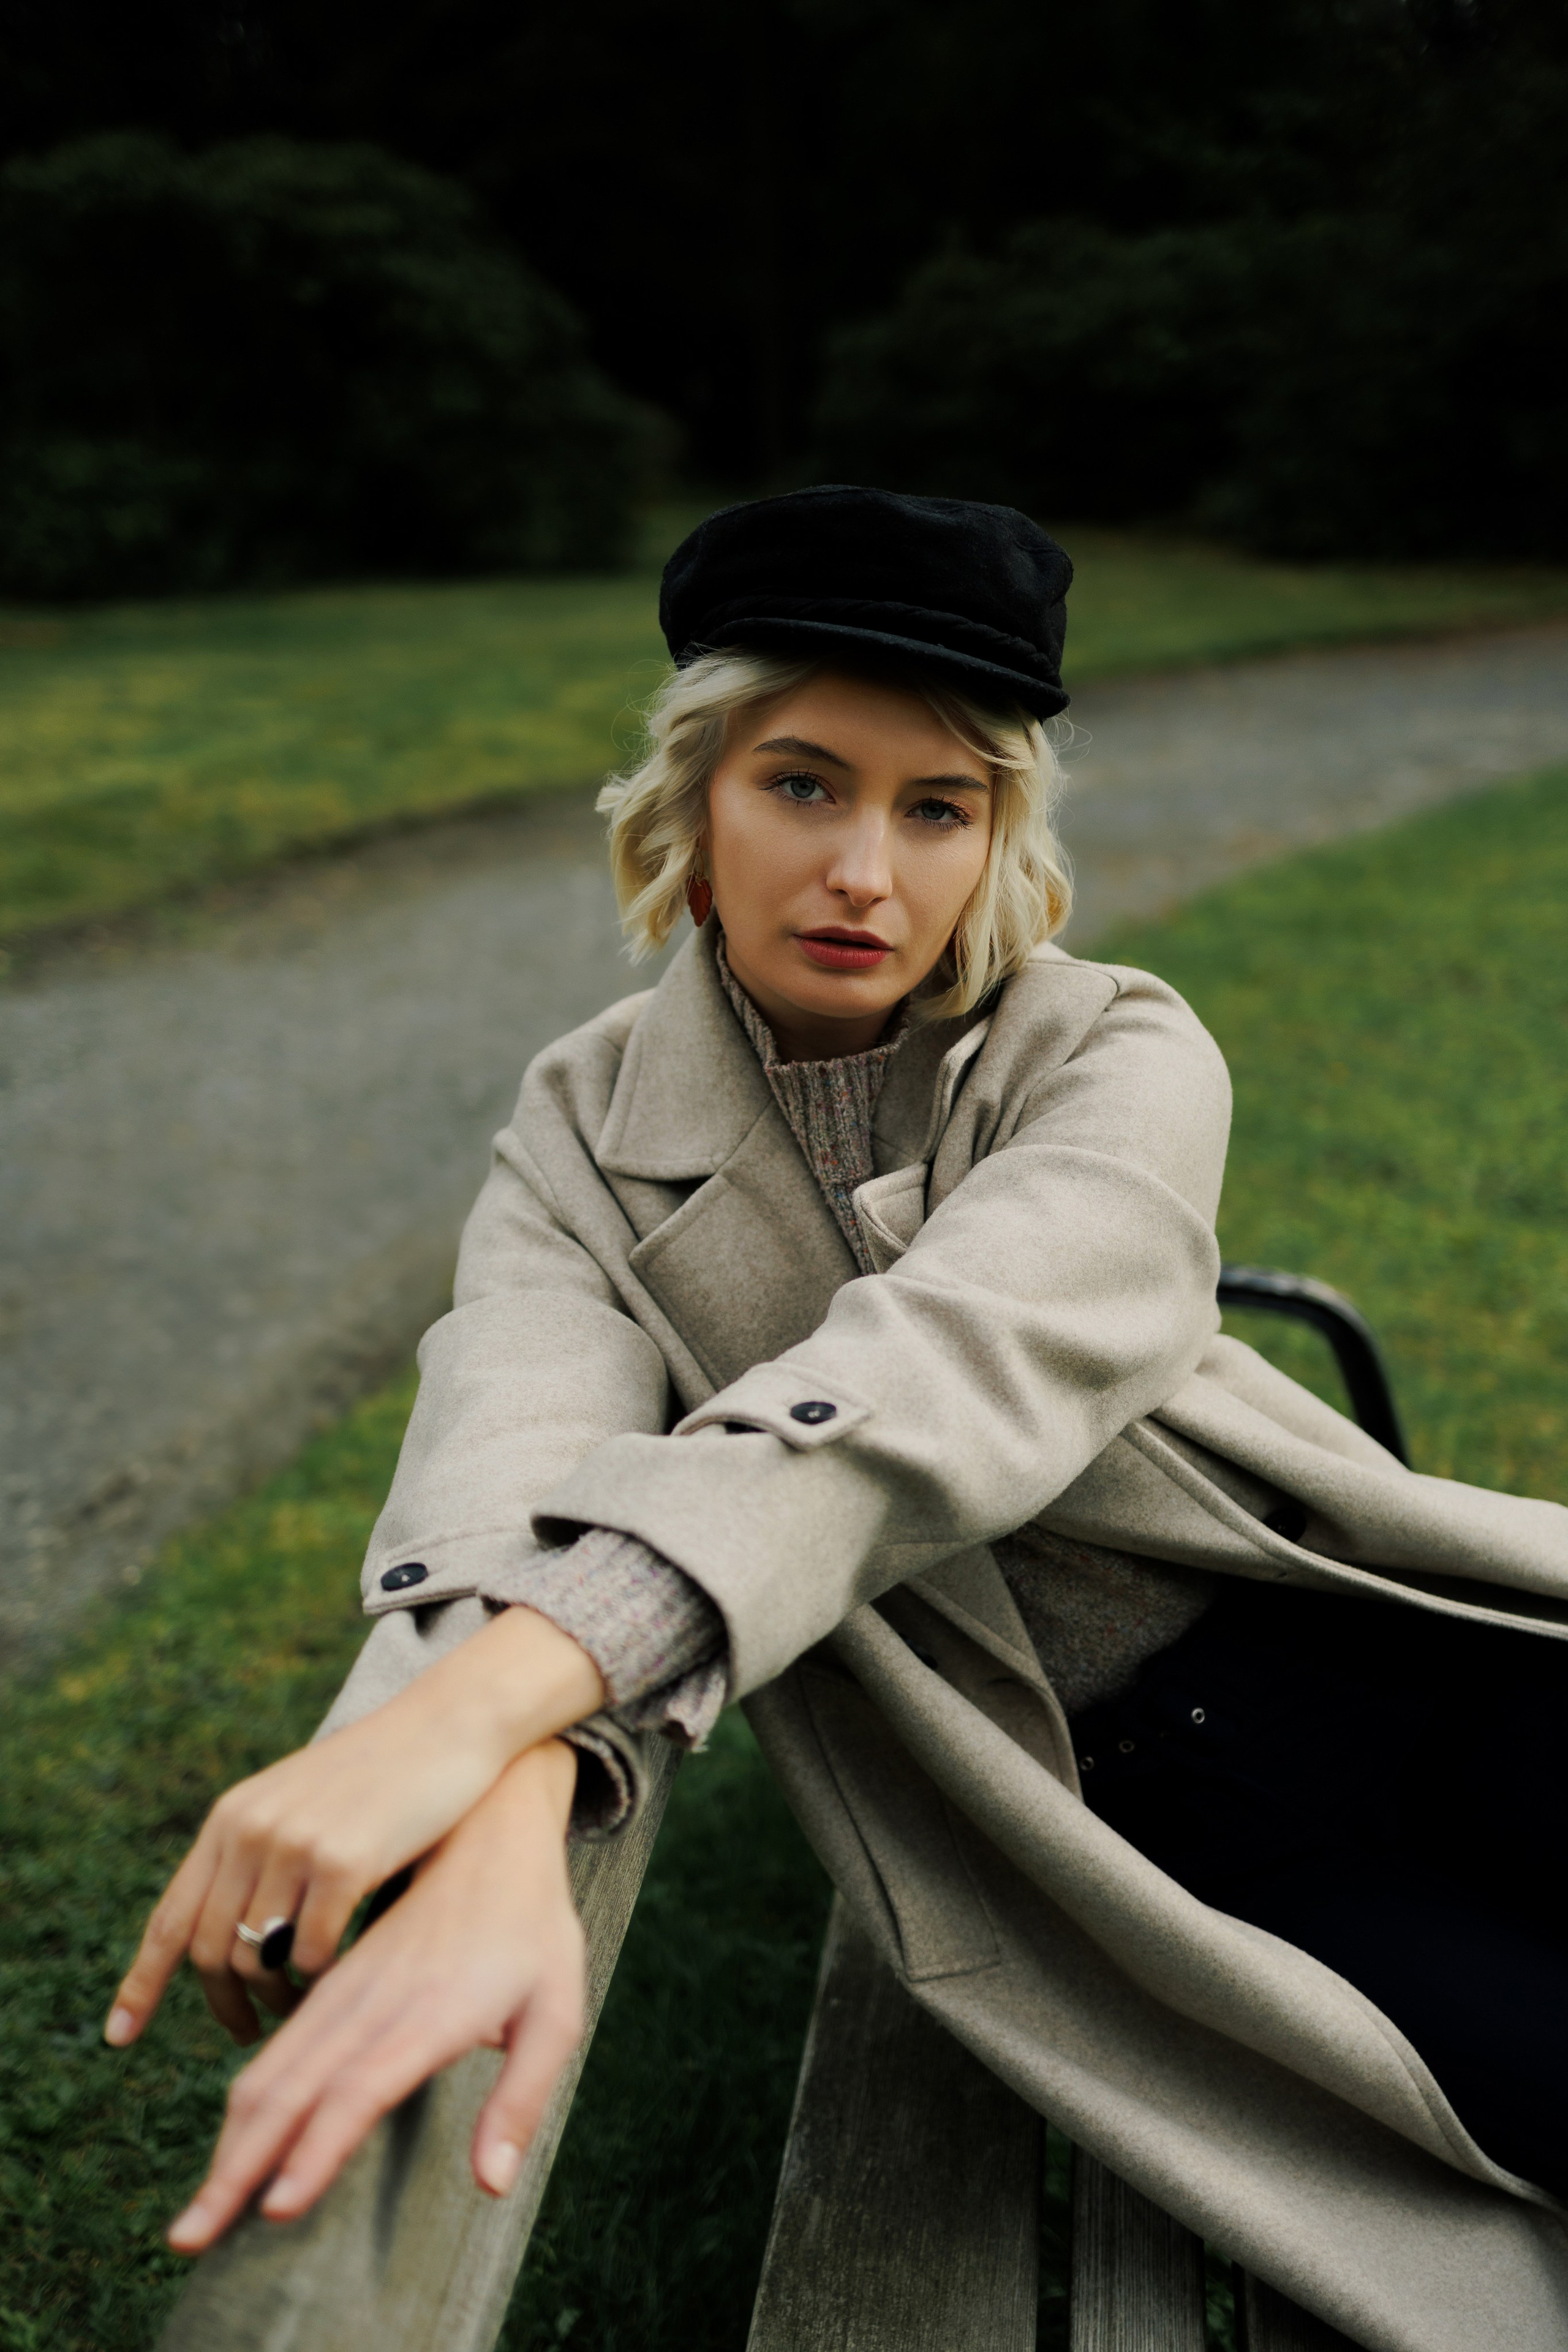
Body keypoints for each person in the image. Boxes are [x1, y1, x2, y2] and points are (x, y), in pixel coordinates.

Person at [107, 488, 1568, 2350]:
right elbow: (505, 1453)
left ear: (996, 840)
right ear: (695, 807)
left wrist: (493, 1706)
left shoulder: (1114, 1045)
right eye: (802, 784)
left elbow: (943, 1377)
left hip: (1395, 1656)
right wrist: (504, 1811)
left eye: (936, 806)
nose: (865, 869)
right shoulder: (579, 1131)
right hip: (1146, 1831)